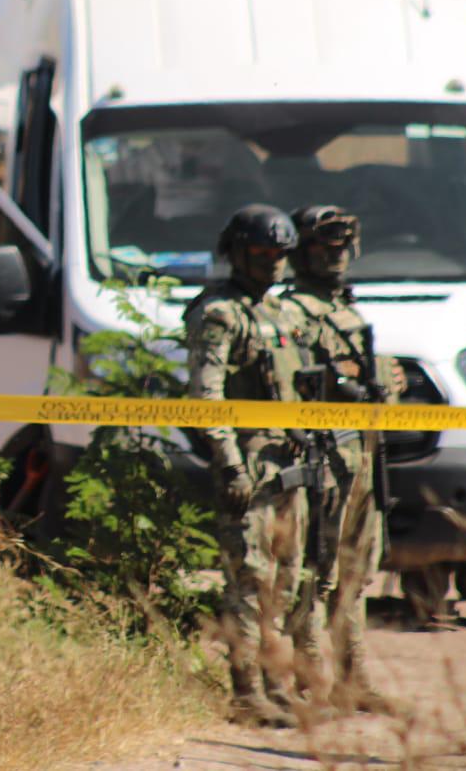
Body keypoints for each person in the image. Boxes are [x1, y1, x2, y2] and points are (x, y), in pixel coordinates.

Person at [184, 204, 307, 729]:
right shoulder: (219, 314)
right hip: (249, 463)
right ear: (236, 253)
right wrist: (230, 463)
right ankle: (245, 692)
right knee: (249, 581)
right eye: (262, 252)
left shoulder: (283, 313)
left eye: (281, 253)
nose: (274, 262)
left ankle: (277, 685)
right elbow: (205, 394)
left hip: (290, 464)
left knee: (286, 580)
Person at [279, 205, 404, 715]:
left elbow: (374, 390)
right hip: (320, 455)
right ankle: (311, 679)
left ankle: (353, 678)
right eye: (322, 247)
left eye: (341, 247)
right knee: (315, 570)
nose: (334, 257)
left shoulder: (346, 309)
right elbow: (287, 387)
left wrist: (385, 385)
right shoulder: (290, 313)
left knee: (356, 571)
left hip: (361, 454)